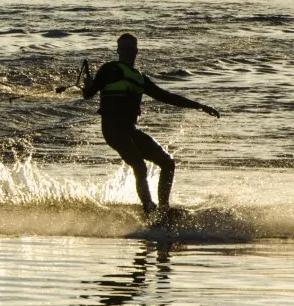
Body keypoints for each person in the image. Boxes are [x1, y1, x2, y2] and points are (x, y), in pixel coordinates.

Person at [82, 32, 220, 217]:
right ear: (118, 51)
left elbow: (166, 96)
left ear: (136, 51)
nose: (128, 52)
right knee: (140, 166)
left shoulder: (140, 78)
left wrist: (200, 106)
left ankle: (164, 209)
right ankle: (148, 208)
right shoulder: (109, 70)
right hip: (112, 129)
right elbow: (89, 94)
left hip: (130, 130)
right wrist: (88, 85)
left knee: (168, 163)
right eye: (124, 49)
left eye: (131, 49)